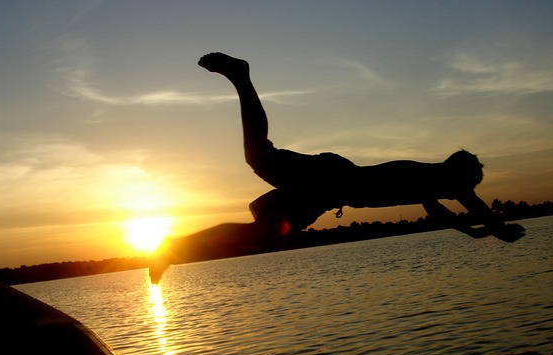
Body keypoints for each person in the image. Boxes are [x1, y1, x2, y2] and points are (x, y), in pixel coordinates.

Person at [148, 52, 524, 282]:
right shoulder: (439, 180)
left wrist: (478, 235)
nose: (470, 190)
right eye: (471, 182)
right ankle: (241, 77)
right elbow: (471, 208)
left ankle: (173, 249)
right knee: (259, 155)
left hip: (326, 193)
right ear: (461, 172)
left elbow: (444, 213)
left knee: (263, 232)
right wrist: (496, 230)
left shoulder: (432, 186)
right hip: (329, 180)